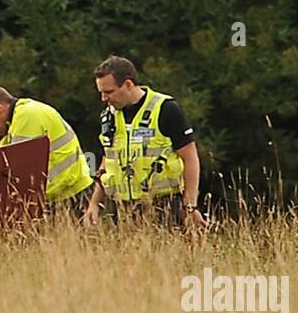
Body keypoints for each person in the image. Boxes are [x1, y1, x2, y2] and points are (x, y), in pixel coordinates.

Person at [83, 55, 206, 234]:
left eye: (108, 92)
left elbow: (191, 159)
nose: (103, 98)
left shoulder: (166, 109)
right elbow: (108, 160)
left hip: (164, 207)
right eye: (101, 92)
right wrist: (94, 204)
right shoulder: (108, 116)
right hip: (123, 210)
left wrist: (190, 207)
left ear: (128, 84)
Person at [0, 86, 93, 211]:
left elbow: (20, 172)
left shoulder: (26, 117)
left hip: (70, 194)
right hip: (65, 192)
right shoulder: (17, 120)